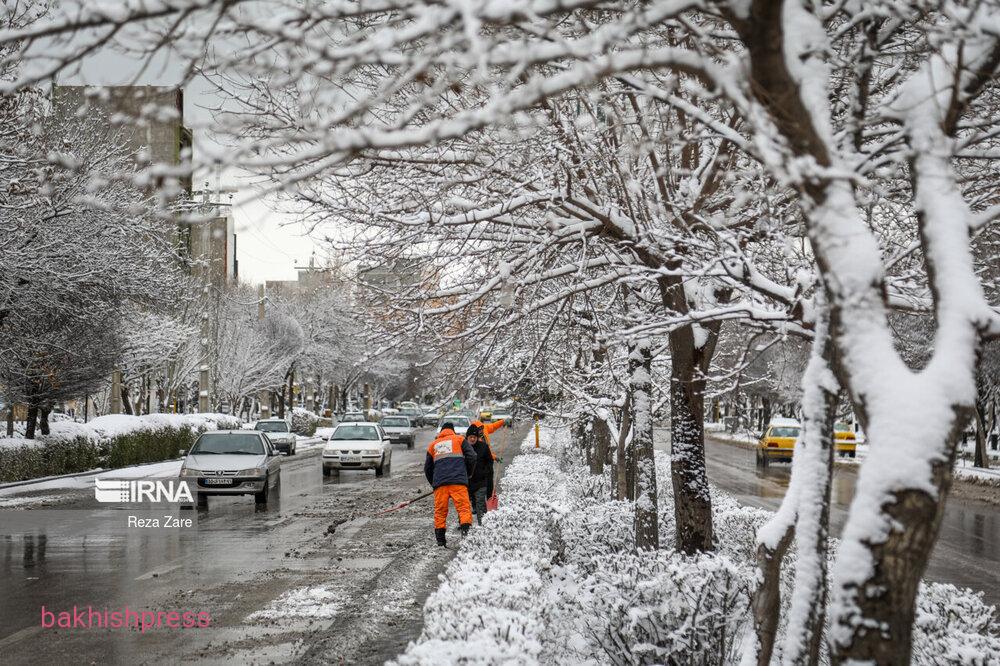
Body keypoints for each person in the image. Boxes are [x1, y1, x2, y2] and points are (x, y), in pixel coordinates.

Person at [424, 422, 477, 547]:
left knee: (440, 512)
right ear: (452, 430)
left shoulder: (433, 445)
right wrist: (468, 473)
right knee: (463, 508)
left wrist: (434, 483)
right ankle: (466, 535)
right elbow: (472, 456)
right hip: (458, 482)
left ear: (441, 431)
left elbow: (427, 468)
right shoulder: (459, 440)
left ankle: (441, 541)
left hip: (440, 484)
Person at [465, 424, 494, 525]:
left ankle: (483, 526)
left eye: (474, 437)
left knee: (480, 504)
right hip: (466, 482)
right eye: (470, 437)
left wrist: (485, 472)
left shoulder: (483, 447)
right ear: (467, 437)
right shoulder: (462, 447)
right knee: (464, 506)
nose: (472, 439)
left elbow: (490, 461)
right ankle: (465, 526)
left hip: (480, 482)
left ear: (477, 437)